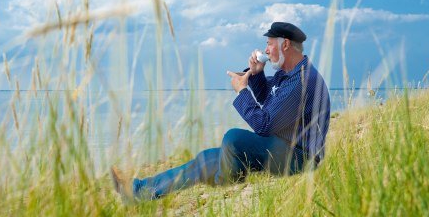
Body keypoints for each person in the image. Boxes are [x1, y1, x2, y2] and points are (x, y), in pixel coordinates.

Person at [111, 22, 331, 201]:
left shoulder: (301, 81)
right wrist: (255, 74)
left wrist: (242, 91)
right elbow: (270, 101)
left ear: (285, 45)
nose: (265, 50)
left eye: (269, 44)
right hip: (281, 147)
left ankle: (227, 177)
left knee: (234, 139)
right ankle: (137, 192)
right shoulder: (291, 73)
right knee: (206, 158)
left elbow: (264, 125)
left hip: (299, 157)